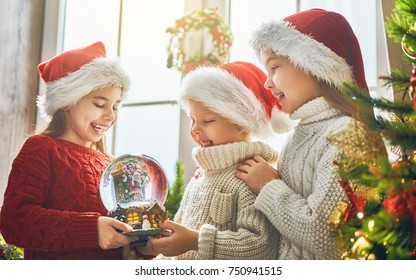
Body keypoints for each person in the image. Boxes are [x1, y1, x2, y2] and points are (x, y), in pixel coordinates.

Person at [235, 9, 387, 259]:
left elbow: (328, 236)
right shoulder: (298, 136)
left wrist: (268, 185)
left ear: (314, 66)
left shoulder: (350, 135)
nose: (267, 83)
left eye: (274, 68)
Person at [128, 61, 289, 260]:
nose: (195, 129)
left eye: (207, 121)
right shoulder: (200, 176)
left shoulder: (251, 175)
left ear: (243, 123)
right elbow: (179, 239)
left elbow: (260, 246)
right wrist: (158, 251)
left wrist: (196, 241)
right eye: (193, 119)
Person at [0, 41, 138, 259]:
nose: (111, 116)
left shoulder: (112, 164)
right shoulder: (41, 149)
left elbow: (123, 231)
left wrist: (143, 243)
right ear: (67, 101)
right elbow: (14, 222)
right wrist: (92, 230)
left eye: (116, 106)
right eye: (100, 105)